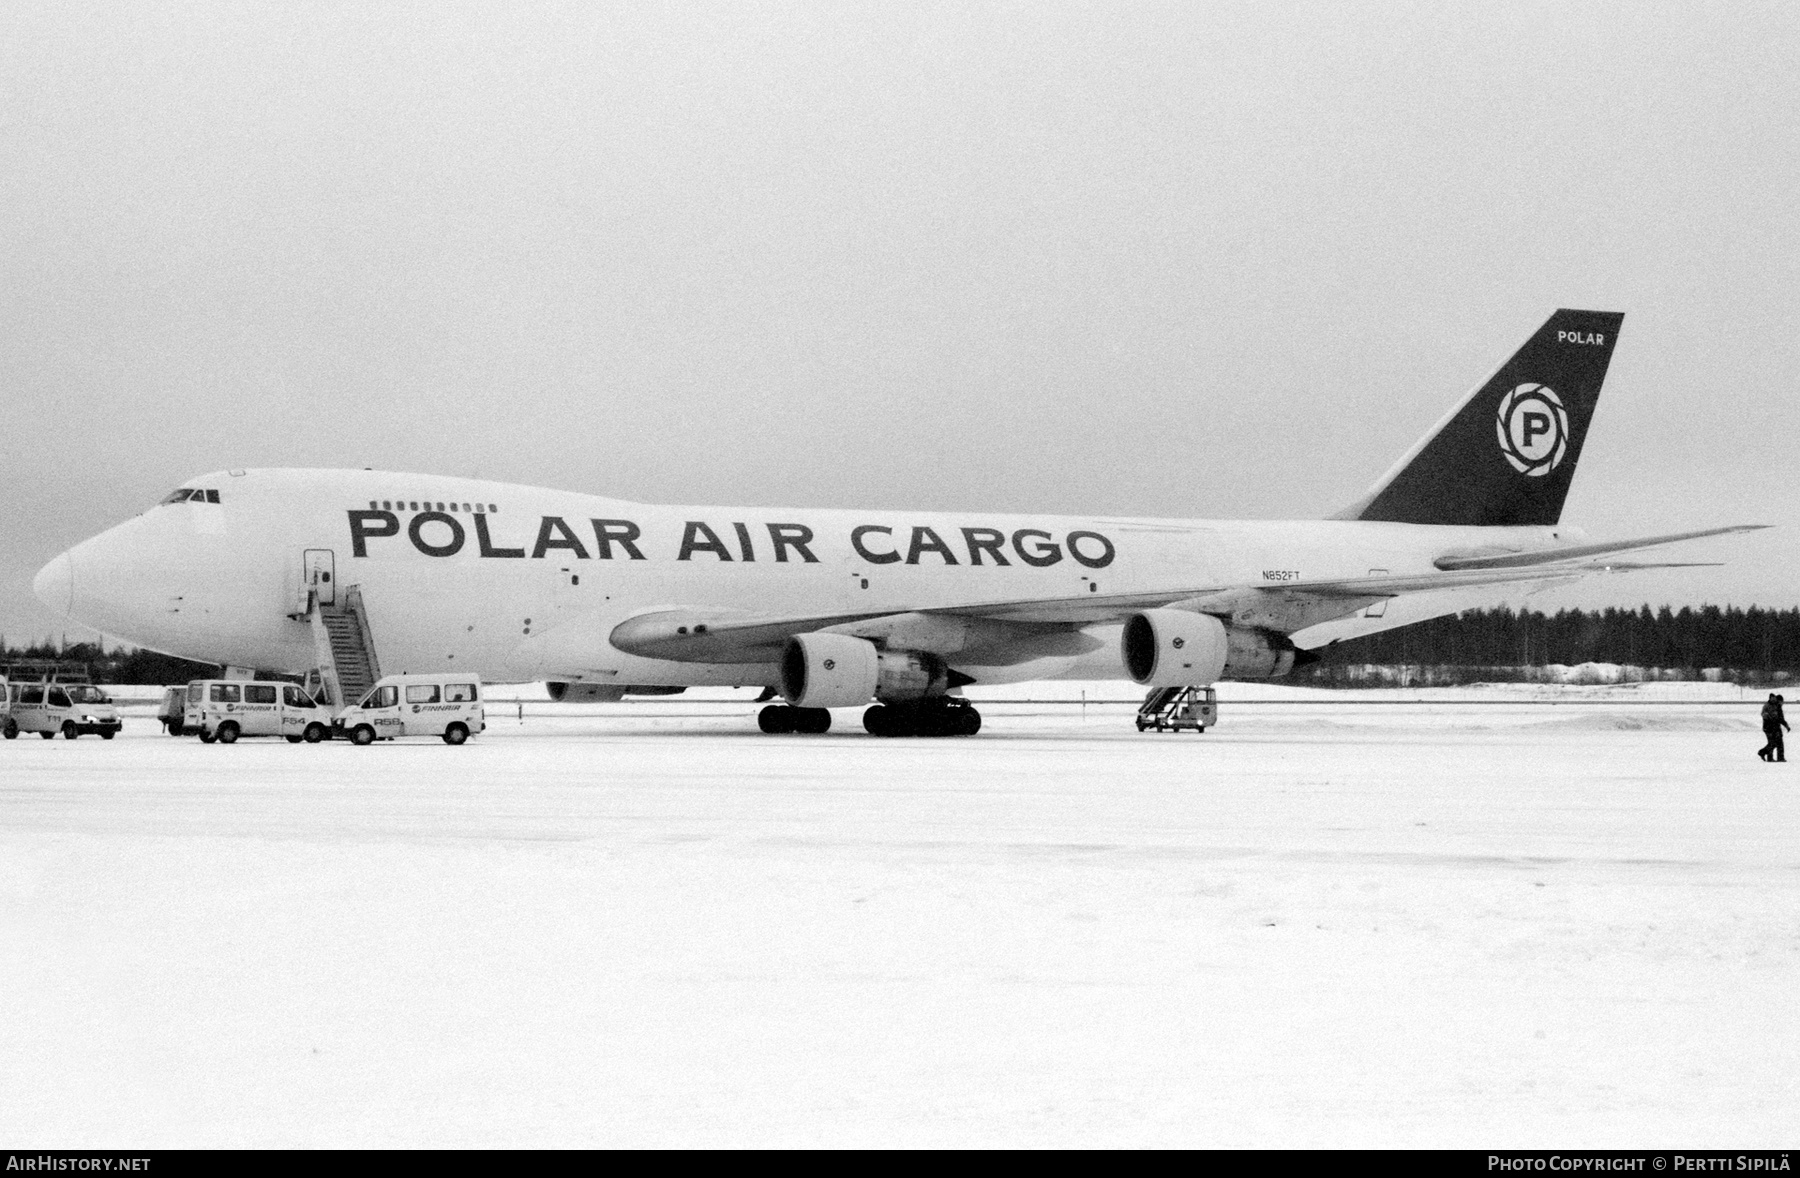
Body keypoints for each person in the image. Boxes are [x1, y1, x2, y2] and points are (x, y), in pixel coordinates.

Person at [1759, 693, 1789, 762]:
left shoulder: (1777, 707)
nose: (1782, 703)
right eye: (1781, 702)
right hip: (1769, 727)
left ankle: (1777, 757)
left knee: (1776, 742)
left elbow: (1780, 718)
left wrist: (1786, 725)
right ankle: (1765, 754)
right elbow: (1767, 715)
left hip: (1775, 727)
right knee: (1774, 742)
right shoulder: (1771, 706)